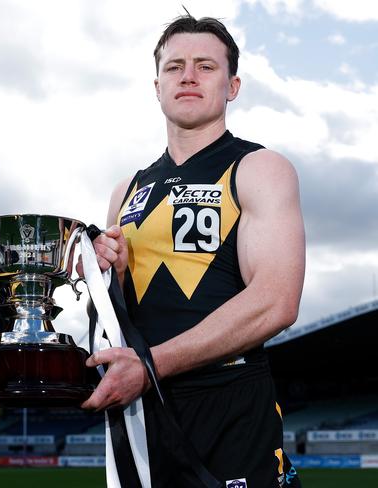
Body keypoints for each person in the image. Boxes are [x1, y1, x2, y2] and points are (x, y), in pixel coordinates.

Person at [81, 14, 305, 488]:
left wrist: (151, 366)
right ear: (157, 86)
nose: (187, 76)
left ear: (233, 86)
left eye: (205, 66)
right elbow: (115, 317)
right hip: (142, 409)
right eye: (174, 66)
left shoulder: (258, 167)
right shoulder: (127, 190)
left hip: (230, 406)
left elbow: (277, 300)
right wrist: (112, 278)